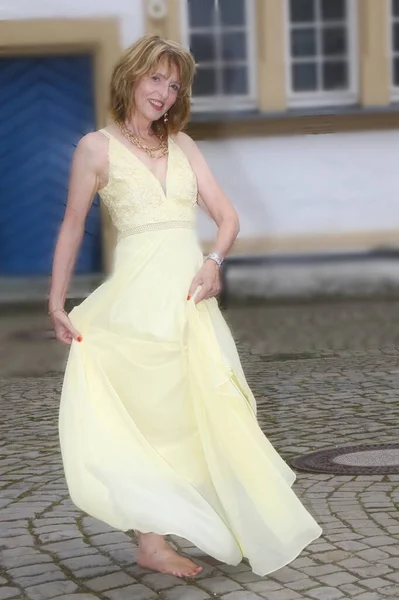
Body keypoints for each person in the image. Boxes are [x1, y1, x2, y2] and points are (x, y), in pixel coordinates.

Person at [49, 34, 322, 579]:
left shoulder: (186, 147)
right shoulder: (95, 148)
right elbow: (73, 224)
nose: (164, 93)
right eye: (156, 79)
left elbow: (228, 218)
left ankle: (196, 523)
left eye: (174, 86)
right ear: (130, 75)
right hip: (133, 308)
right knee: (150, 421)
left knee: (200, 415)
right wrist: (57, 302)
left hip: (188, 303)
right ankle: (152, 541)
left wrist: (214, 262)